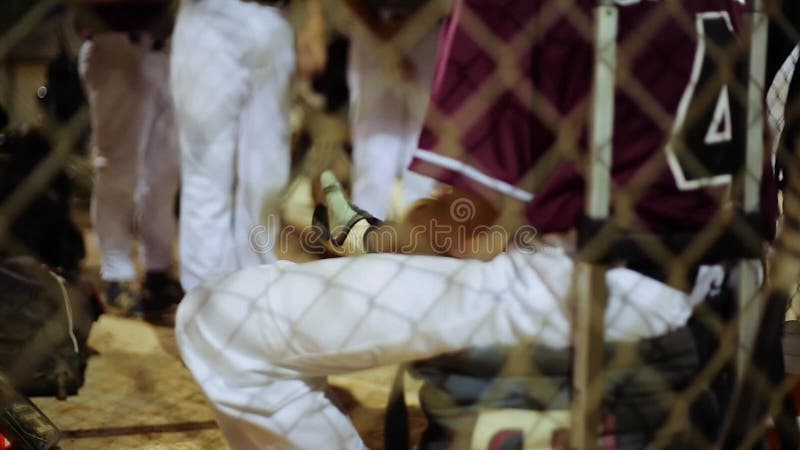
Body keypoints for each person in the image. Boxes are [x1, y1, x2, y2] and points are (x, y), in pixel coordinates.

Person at [174, 0, 777, 448]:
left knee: (214, 323)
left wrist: (373, 241)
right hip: (729, 287)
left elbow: (466, 232)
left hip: (577, 290)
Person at [170, 0, 326, 292]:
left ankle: (254, 291)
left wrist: (314, 20)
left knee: (268, 172)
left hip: (274, 16)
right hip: (209, 14)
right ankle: (205, 296)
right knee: (207, 169)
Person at [74, 0, 183, 317]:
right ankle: (117, 273)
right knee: (119, 168)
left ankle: (159, 272)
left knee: (165, 174)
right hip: (117, 44)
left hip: (168, 51)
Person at [346, 0, 439, 220]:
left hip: (431, 26)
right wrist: (381, 37)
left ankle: (422, 234)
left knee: (424, 147)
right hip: (372, 25)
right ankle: (364, 232)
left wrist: (409, 27)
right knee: (373, 146)